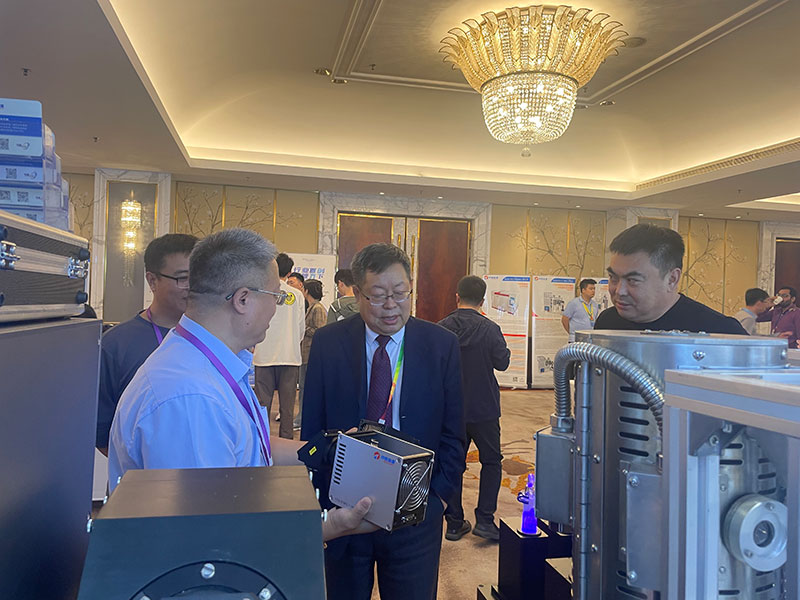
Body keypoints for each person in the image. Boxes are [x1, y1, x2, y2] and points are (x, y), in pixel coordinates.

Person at [107, 229, 373, 541]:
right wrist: (330, 526)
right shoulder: (192, 398)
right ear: (243, 299)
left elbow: (246, 445)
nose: (276, 309)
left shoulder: (208, 363)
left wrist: (330, 448)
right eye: (276, 297)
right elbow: (215, 540)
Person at [302, 243, 465, 600]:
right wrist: (321, 501)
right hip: (344, 508)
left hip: (416, 510)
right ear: (357, 293)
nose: (391, 305)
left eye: (400, 293)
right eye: (377, 296)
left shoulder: (441, 345)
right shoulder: (329, 343)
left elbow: (455, 431)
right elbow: (312, 425)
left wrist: (437, 497)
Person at [96, 233, 198, 454]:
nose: (193, 287)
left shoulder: (214, 339)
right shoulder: (115, 345)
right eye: (183, 278)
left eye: (200, 277)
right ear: (152, 281)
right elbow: (101, 432)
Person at [438, 275, 510, 543]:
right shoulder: (490, 329)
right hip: (484, 408)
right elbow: (502, 363)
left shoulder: (441, 328)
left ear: (457, 297)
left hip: (451, 409)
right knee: (491, 461)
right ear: (482, 300)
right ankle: (485, 521)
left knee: (452, 464)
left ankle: (454, 523)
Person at [595, 224, 746, 334]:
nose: (619, 291)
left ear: (672, 279)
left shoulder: (720, 331)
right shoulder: (607, 322)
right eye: (613, 278)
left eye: (632, 280)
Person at [252, 252, 305, 438]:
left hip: (264, 355)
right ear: (289, 272)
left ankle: (262, 443)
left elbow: (254, 322)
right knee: (287, 407)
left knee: (262, 405)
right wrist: (292, 343)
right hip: (290, 356)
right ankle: (287, 441)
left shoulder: (262, 292)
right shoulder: (297, 295)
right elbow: (301, 327)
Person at [294, 279, 326, 431]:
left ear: (307, 291)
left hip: (310, 354)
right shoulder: (312, 307)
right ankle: (301, 417)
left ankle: (302, 419)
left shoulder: (317, 308)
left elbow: (320, 331)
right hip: (305, 354)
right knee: (303, 389)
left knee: (305, 389)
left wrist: (303, 328)